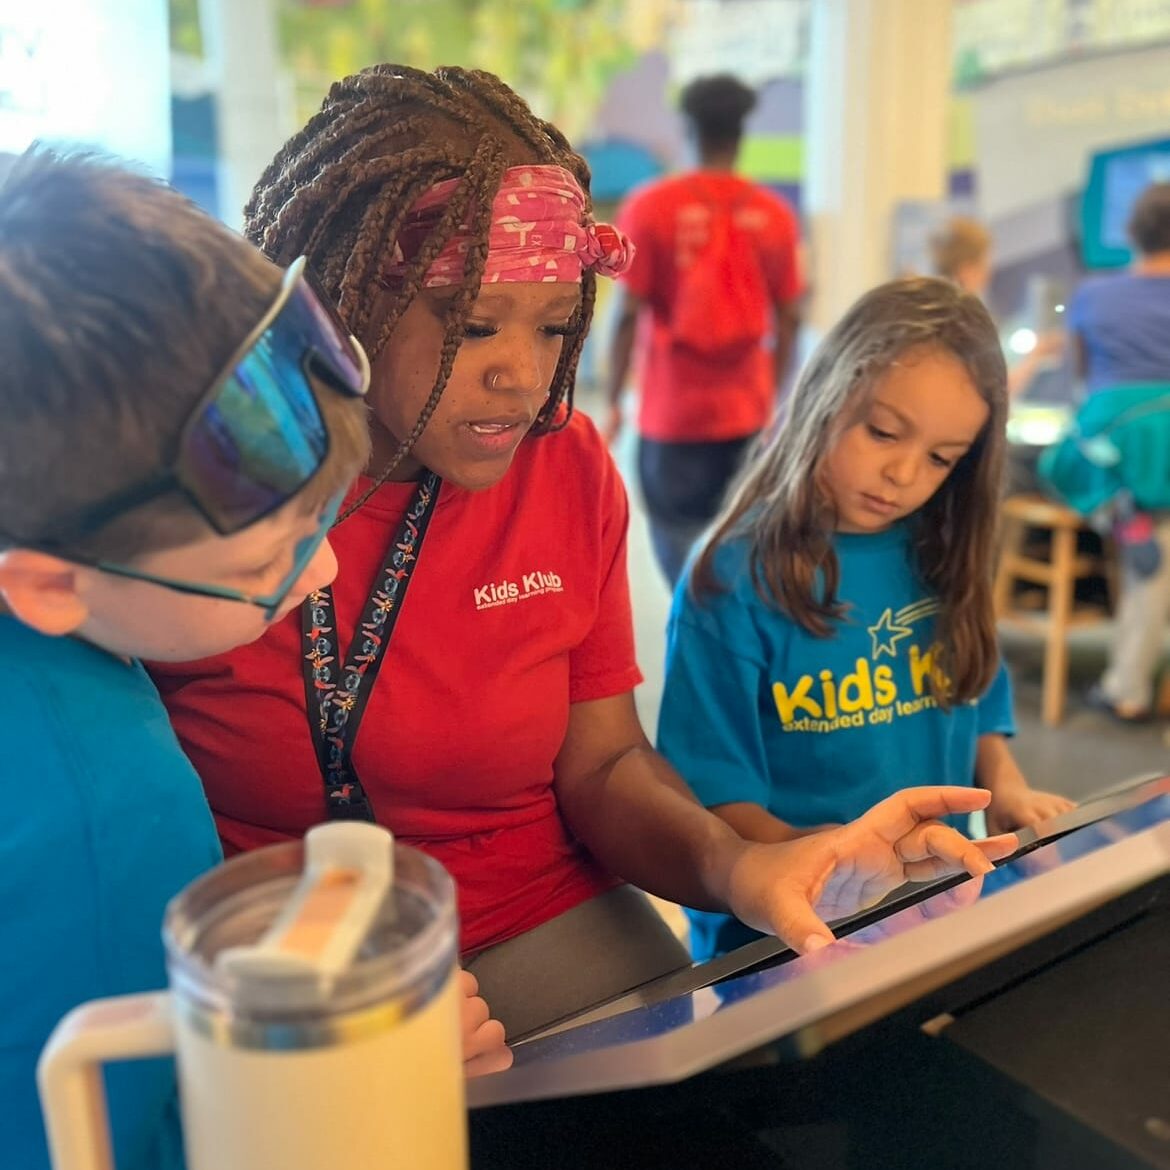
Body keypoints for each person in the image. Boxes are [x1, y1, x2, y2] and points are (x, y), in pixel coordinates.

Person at [152, 65, 1019, 1042]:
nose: (523, 375)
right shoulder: (200, 467)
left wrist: (744, 867)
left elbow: (605, 764)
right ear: (340, 300)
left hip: (527, 910)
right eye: (474, 324)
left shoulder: (564, 465)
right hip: (271, 947)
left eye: (556, 326)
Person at [0, 150, 372, 1170]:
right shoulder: (109, 817)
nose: (325, 569)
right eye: (262, 561)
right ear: (48, 585)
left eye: (321, 519)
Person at [657, 277, 1074, 959]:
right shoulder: (730, 579)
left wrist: (1006, 786)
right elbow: (714, 805)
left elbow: (974, 703)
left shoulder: (942, 554)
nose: (903, 474)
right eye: (883, 432)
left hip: (932, 910)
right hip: (785, 939)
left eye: (941, 459)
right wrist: (852, 862)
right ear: (827, 396)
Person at [605, 74, 804, 586]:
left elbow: (627, 313)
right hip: (746, 417)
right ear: (741, 134)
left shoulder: (651, 207)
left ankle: (692, 631)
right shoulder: (775, 216)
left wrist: (612, 399)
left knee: (682, 566)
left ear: (688, 128)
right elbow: (790, 316)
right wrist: (772, 394)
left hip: (671, 417)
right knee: (741, 562)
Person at [1066, 182, 1170, 721]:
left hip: (1110, 439)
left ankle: (1119, 510)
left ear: (1132, 232)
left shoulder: (1093, 294)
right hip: (1163, 445)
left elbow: (1081, 379)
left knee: (1061, 463)